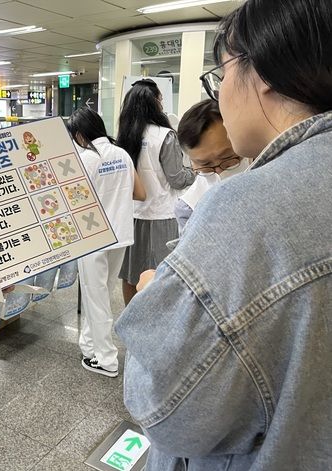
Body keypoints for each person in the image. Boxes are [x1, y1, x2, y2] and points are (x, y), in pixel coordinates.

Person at [114, 0, 332, 469]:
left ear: (267, 71)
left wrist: (156, 301)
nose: (221, 91)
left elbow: (169, 411)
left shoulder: (248, 208)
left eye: (222, 72)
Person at [67, 107, 145, 377]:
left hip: (93, 239)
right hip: (120, 234)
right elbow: (139, 192)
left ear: (79, 134)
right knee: (100, 294)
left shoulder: (85, 159)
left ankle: (106, 359)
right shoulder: (122, 153)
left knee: (95, 297)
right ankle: (89, 345)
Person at [116, 79, 195, 304]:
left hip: (133, 215)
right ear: (155, 103)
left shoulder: (125, 136)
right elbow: (178, 179)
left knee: (131, 274)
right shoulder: (165, 135)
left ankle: (130, 321)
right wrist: (196, 171)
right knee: (161, 275)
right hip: (161, 215)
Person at [174, 99, 248, 233]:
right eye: (206, 164)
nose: (219, 172)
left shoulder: (271, 173)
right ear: (191, 162)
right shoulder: (189, 208)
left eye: (228, 158)